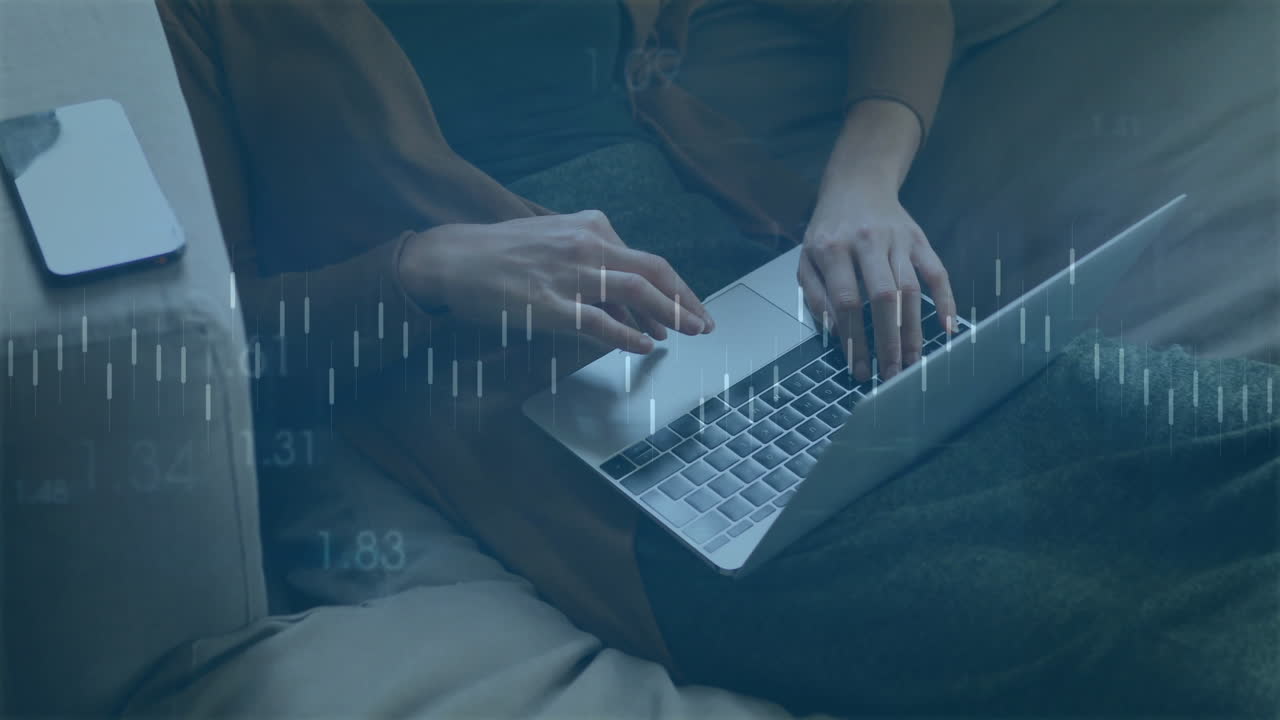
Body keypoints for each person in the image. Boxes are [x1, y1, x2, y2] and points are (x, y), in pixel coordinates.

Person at [158, 0, 1280, 714]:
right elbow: (215, 341)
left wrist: (859, 187)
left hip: (792, 292)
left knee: (1221, 436)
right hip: (559, 412)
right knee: (1124, 639)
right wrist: (424, 266)